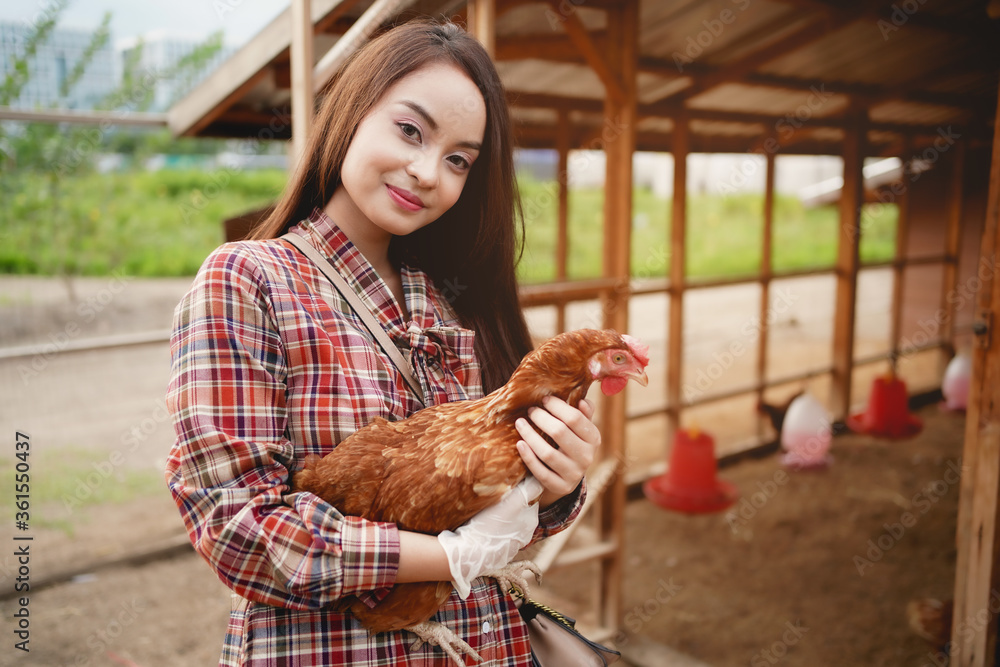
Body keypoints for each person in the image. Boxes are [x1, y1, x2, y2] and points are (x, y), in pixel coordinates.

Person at [165, 19, 602, 666]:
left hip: (486, 645)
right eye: (409, 130)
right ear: (352, 110)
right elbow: (237, 527)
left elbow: (505, 521)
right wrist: (448, 557)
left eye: (459, 160)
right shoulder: (249, 280)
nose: (428, 171)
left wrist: (557, 482)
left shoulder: (458, 298)